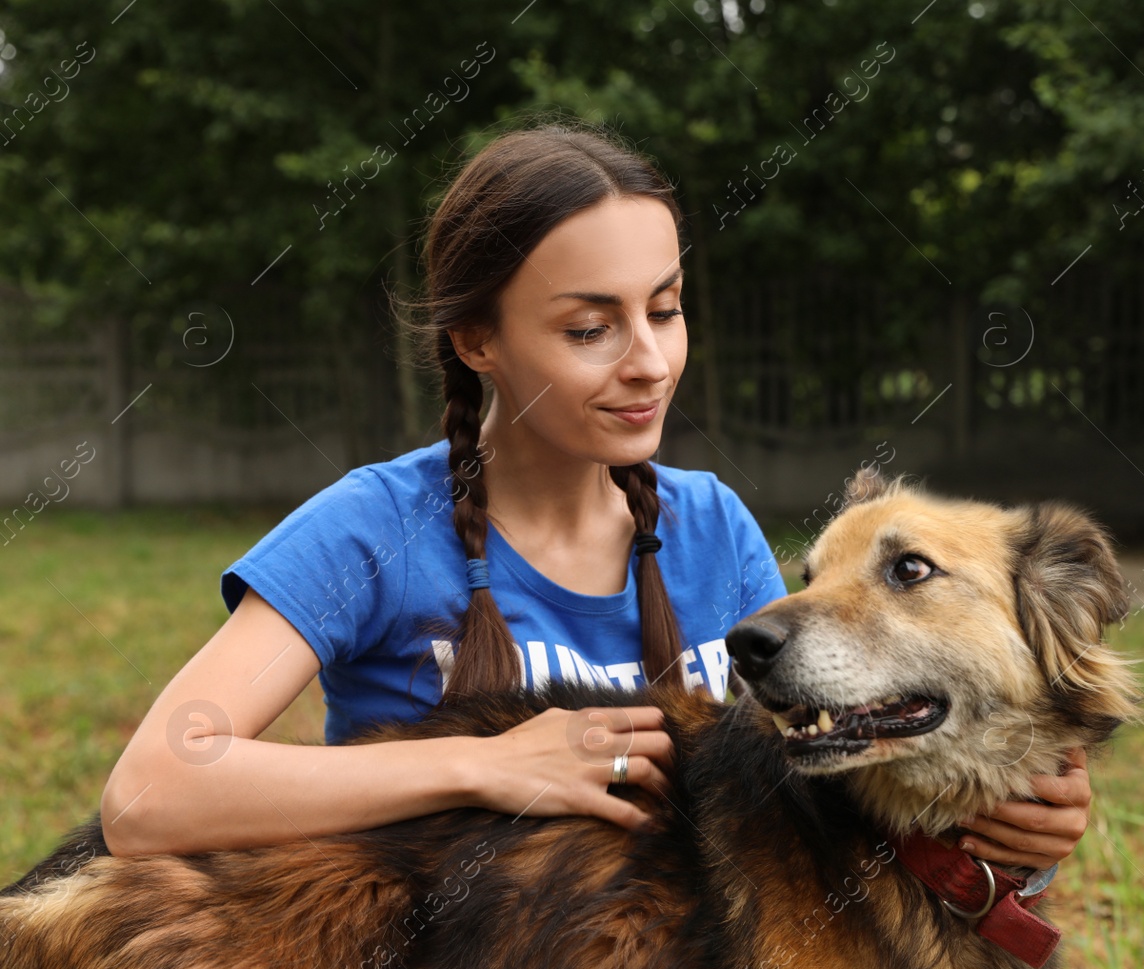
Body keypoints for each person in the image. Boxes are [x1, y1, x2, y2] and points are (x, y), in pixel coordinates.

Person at [100, 122, 1092, 873]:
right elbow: (151, 790)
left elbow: (810, 780)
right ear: (477, 340)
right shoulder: (371, 528)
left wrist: (1010, 804)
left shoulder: (709, 528)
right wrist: (485, 765)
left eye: (663, 308)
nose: (649, 362)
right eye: (589, 328)